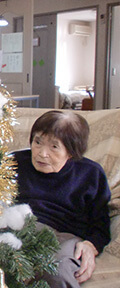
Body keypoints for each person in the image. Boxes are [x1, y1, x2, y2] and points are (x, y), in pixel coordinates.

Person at [13, 110, 111, 287]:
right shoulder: (15, 163)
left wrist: (91, 245)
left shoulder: (91, 174)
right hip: (16, 227)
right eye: (37, 142)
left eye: (54, 146)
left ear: (72, 151)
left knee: (56, 274)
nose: (42, 153)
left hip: (64, 237)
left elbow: (101, 223)